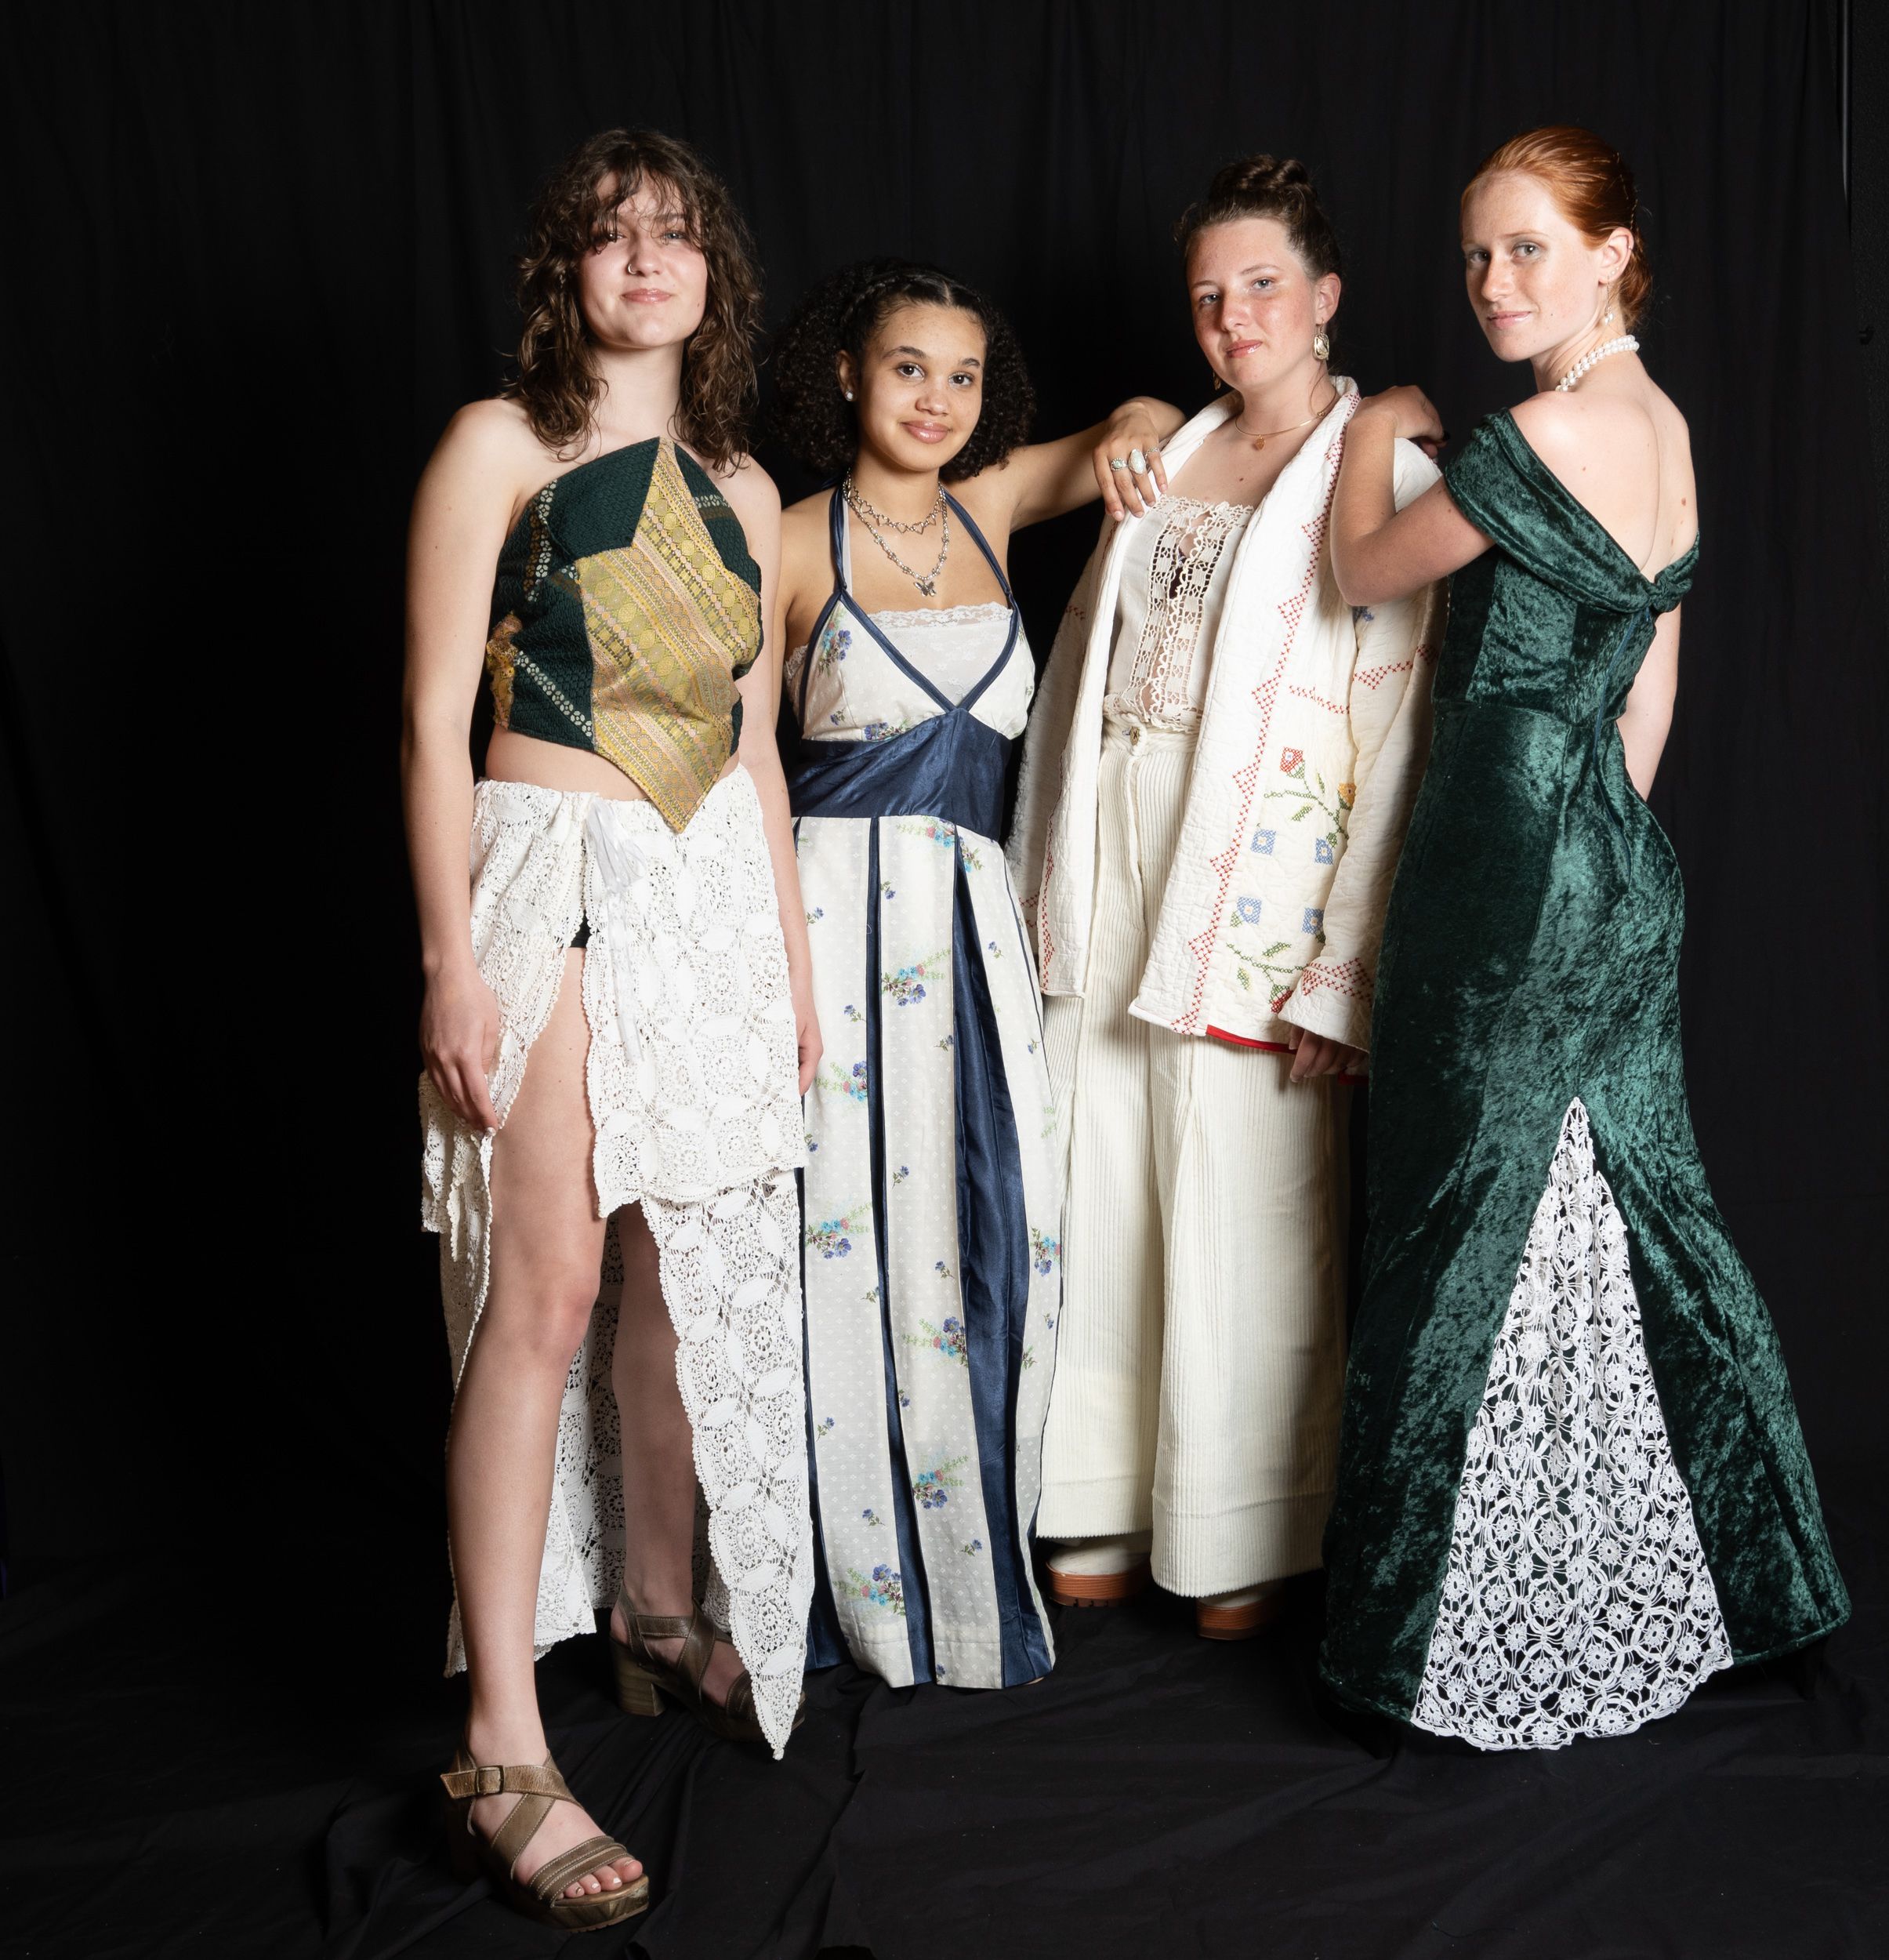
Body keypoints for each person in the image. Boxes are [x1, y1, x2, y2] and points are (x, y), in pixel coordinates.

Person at [1319, 125, 1849, 1749]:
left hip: (1499, 862)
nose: (1492, 282)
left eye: (1527, 248)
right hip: (1611, 856)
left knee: (1448, 1217)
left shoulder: (1537, 432)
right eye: (1476, 255)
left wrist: (1379, 423)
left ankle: (1408, 1645)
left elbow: (1359, 571)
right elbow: (1649, 696)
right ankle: (1750, 1581)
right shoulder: (1663, 428)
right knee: (1636, 1201)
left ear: (1611, 252)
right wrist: (1597, 858)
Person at [404, 129, 818, 1929]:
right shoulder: (498, 446)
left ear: (713, 271)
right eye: (609, 234)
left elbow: (754, 751)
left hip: (710, 888)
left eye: (675, 235)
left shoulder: (747, 486)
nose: (645, 260)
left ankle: (657, 1609)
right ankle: (502, 1742)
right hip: (553, 872)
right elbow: (430, 715)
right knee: (549, 1284)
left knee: (675, 1259)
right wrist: (450, 956)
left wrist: (789, 966)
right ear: (562, 270)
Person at [1007, 158, 1445, 1640]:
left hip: (1262, 864)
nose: (1232, 314)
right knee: (1097, 1158)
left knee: (1242, 1187)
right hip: (1114, 826)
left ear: (1325, 299)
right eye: (1207, 293)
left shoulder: (1381, 463)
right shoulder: (1161, 450)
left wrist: (1342, 968)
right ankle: (1099, 1495)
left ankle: (1243, 1521)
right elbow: (1081, 672)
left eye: (1261, 284)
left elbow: (1399, 729)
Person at [773, 259, 1181, 1687]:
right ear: (846, 373)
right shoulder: (787, 538)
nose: (936, 399)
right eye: (907, 368)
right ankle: (826, 1598)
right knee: (830, 1253)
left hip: (973, 929)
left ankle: (961, 1591)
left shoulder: (992, 501)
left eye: (962, 375)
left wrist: (1134, 419)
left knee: (984, 1237)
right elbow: (729, 764)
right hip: (825, 925)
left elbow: (1146, 420)